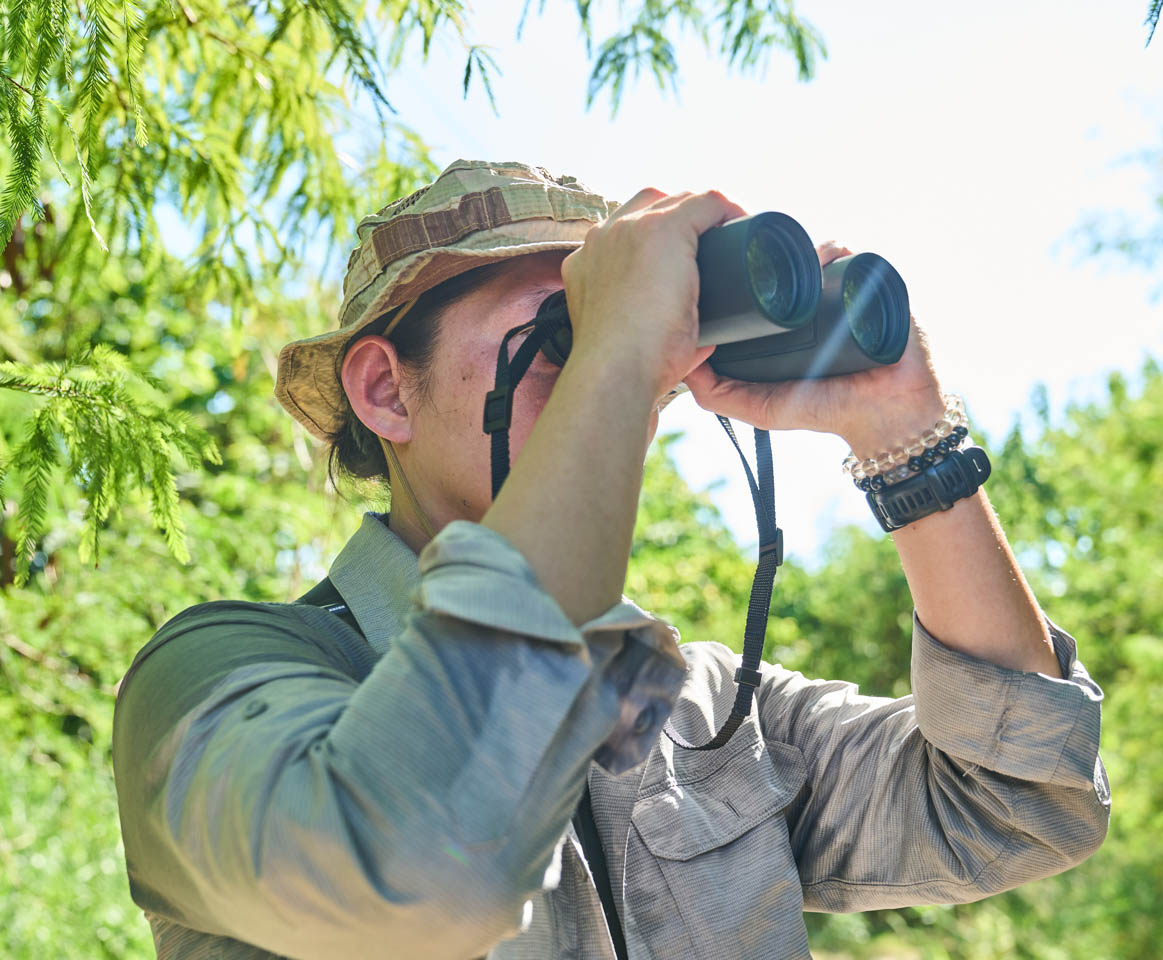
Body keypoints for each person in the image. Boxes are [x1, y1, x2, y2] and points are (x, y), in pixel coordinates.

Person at [112, 160, 1111, 960]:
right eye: (558, 333)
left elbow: (1018, 803)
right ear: (384, 390)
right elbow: (410, 874)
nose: (616, 374)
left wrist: (907, 438)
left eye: (619, 335)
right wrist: (623, 345)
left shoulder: (710, 710)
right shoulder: (225, 677)